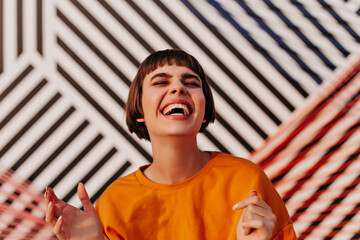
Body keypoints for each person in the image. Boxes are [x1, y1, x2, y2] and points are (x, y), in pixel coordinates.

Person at [44, 49, 297, 240]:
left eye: (191, 82)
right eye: (161, 82)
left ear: (205, 108)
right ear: (140, 108)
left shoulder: (247, 181)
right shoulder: (114, 203)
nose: (178, 87)